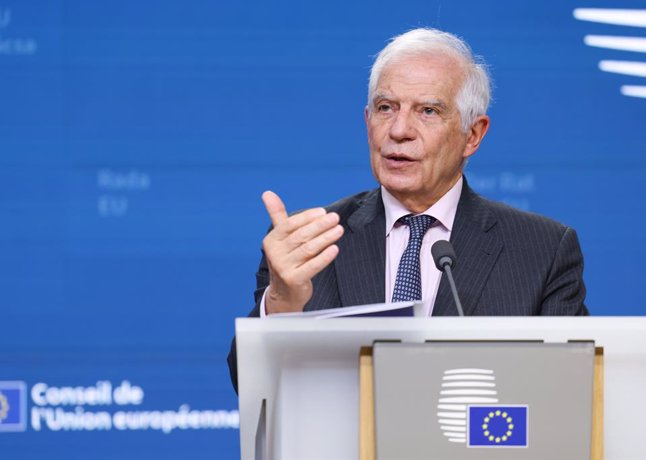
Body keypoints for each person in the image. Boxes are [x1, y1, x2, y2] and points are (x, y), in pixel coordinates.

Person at [228, 28, 587, 393]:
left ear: (473, 135)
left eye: (428, 111)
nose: (399, 130)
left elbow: (567, 394)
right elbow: (250, 386)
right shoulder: (309, 245)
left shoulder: (543, 251)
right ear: (367, 121)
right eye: (386, 108)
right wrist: (281, 303)